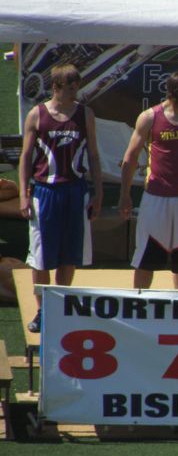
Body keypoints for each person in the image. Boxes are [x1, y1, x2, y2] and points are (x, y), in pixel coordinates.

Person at [18, 63, 103, 333]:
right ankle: (43, 310)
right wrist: (22, 193)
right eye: (71, 87)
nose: (76, 92)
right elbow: (25, 157)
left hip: (75, 191)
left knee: (69, 254)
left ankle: (61, 307)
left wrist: (98, 192)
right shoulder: (37, 114)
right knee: (42, 257)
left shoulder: (85, 114)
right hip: (45, 192)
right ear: (55, 87)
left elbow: (93, 155)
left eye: (77, 86)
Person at [119, 71, 178, 290]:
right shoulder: (150, 117)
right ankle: (139, 305)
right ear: (173, 95)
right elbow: (130, 158)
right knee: (145, 259)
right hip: (156, 197)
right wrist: (124, 195)